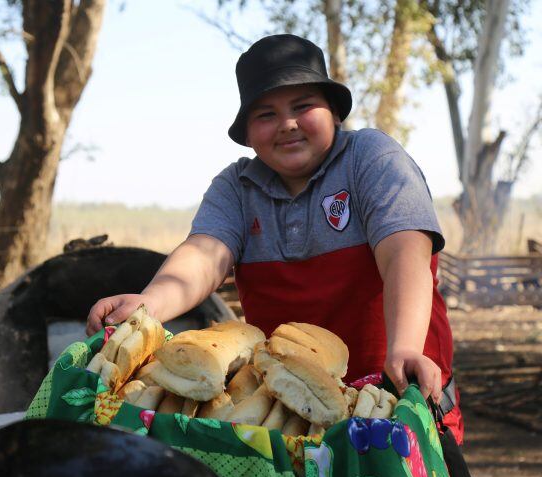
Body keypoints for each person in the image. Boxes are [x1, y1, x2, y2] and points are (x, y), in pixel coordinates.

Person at [86, 34, 463, 443]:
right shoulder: (237, 187)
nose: (287, 123)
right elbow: (203, 255)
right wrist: (148, 304)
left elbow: (405, 254)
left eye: (302, 106)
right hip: (289, 417)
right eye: (266, 114)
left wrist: (405, 348)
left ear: (334, 112)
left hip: (396, 394)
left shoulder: (372, 158)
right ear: (248, 134)